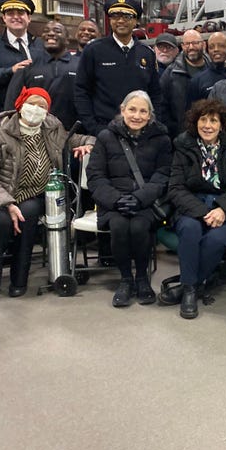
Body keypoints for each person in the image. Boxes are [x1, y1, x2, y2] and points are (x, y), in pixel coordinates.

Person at [0, 87, 94, 299]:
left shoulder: (52, 127)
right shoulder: (1, 131)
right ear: (21, 105)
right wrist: (8, 203)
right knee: (1, 222)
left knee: (29, 212)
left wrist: (88, 145)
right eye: (32, 104)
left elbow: (76, 139)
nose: (36, 110)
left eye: (42, 106)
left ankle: (19, 280)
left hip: (34, 195)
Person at [167, 99, 226, 319]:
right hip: (191, 207)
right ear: (195, 123)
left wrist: (222, 209)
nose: (208, 125)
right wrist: (202, 212)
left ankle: (189, 285)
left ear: (221, 125)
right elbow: (176, 188)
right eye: (203, 120)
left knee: (216, 240)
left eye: (213, 121)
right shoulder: (183, 146)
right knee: (190, 230)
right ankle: (190, 290)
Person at [86, 90, 172, 307]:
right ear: (122, 110)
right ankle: (125, 280)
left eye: (143, 111)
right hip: (112, 202)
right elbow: (95, 176)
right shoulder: (106, 137)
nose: (137, 115)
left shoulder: (161, 139)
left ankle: (142, 278)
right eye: (132, 109)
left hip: (145, 201)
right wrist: (115, 200)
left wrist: (140, 198)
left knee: (139, 227)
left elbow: (164, 175)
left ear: (150, 115)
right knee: (118, 226)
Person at [74, 0, 162, 136]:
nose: (120, 21)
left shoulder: (147, 54)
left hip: (139, 132)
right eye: (115, 16)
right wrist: (93, 127)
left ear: (136, 21)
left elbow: (155, 94)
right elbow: (81, 91)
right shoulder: (93, 50)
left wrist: (152, 124)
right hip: (103, 131)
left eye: (127, 16)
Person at [4, 21, 81, 130]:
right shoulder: (28, 66)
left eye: (57, 31)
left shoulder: (80, 65)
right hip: (35, 133)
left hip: (75, 133)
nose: (50, 33)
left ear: (67, 39)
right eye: (46, 31)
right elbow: (12, 102)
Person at [159, 29, 208, 138]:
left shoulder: (213, 70)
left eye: (195, 43)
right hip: (182, 138)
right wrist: (174, 131)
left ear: (203, 44)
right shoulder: (171, 73)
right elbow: (161, 106)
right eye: (187, 44)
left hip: (210, 135)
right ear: (182, 46)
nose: (191, 47)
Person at [186, 31, 226, 105]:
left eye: (221, 46)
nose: (216, 49)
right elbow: (192, 113)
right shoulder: (197, 81)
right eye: (211, 47)